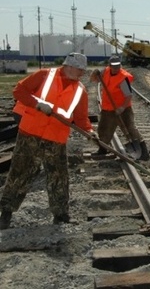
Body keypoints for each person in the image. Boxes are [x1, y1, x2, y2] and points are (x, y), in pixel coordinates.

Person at [0, 52, 95, 229]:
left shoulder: (80, 90)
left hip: (56, 137)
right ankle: (5, 213)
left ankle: (61, 215)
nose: (82, 73)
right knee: (19, 173)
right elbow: (19, 91)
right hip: (30, 132)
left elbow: (81, 118)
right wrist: (37, 104)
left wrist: (89, 131)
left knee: (59, 176)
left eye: (83, 70)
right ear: (68, 66)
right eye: (79, 69)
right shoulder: (44, 75)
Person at [90, 55, 149, 161]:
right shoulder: (105, 72)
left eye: (118, 65)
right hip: (108, 108)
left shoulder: (123, 78)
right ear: (110, 66)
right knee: (103, 129)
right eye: (114, 66)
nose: (116, 68)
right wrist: (94, 74)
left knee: (130, 129)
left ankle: (143, 153)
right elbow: (94, 80)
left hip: (123, 109)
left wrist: (122, 108)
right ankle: (102, 150)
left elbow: (128, 95)